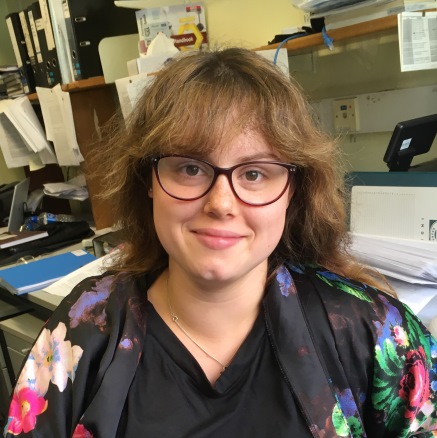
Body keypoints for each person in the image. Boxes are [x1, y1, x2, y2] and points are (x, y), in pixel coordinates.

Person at [3, 47, 437, 438]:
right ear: (148, 181)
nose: (221, 204)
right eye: (190, 168)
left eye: (254, 173)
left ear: (292, 191)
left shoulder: (376, 335)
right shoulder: (82, 331)